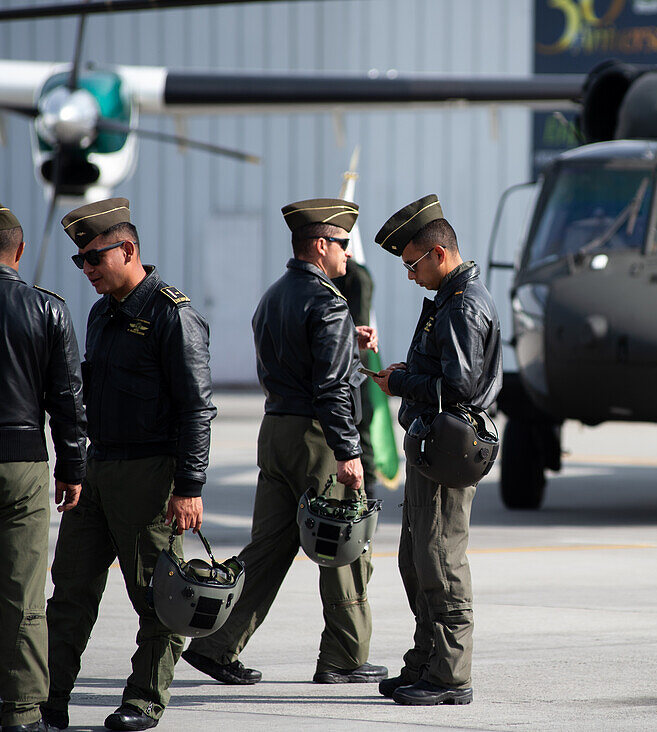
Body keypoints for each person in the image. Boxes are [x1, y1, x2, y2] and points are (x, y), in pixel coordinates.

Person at [183, 198, 387, 688]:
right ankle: (344, 655)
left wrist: (346, 345)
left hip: (275, 431)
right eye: (342, 245)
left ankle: (215, 645)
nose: (347, 256)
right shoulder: (330, 303)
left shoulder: (273, 296)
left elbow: (298, 363)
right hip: (318, 439)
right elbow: (332, 389)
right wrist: (349, 451)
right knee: (344, 547)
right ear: (321, 246)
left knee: (268, 548)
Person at [43, 198, 217, 732]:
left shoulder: (171, 314)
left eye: (94, 259)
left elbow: (197, 407)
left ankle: (144, 699)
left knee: (158, 597)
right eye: (80, 263)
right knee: (70, 590)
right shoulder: (101, 314)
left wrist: (188, 485)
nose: (88, 270)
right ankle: (44, 700)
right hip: (99, 470)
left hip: (151, 474)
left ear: (129, 249)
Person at [371, 194, 502, 706]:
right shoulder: (452, 300)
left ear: (438, 253)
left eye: (411, 265)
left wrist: (403, 380)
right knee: (417, 557)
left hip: (449, 448)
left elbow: (461, 388)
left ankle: (450, 675)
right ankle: (425, 660)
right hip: (434, 445)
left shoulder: (464, 306)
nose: (409, 276)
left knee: (440, 560)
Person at [0, 204, 85, 732]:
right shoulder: (46, 309)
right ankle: (23, 709)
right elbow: (68, 400)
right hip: (24, 461)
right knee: (24, 592)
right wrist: (72, 468)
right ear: (21, 250)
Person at [332, 258, 377, 498]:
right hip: (346, 357)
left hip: (356, 359)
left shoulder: (356, 276)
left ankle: (366, 490)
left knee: (360, 425)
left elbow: (360, 320)